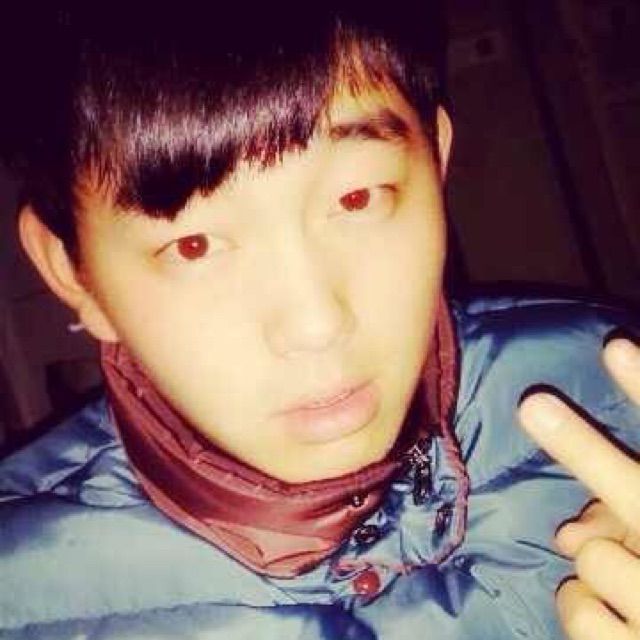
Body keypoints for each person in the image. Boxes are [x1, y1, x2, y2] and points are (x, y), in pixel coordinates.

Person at [0, 4, 639, 639]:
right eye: (194, 246)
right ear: (73, 272)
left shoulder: (619, 390)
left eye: (356, 199)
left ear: (436, 157)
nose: (316, 324)